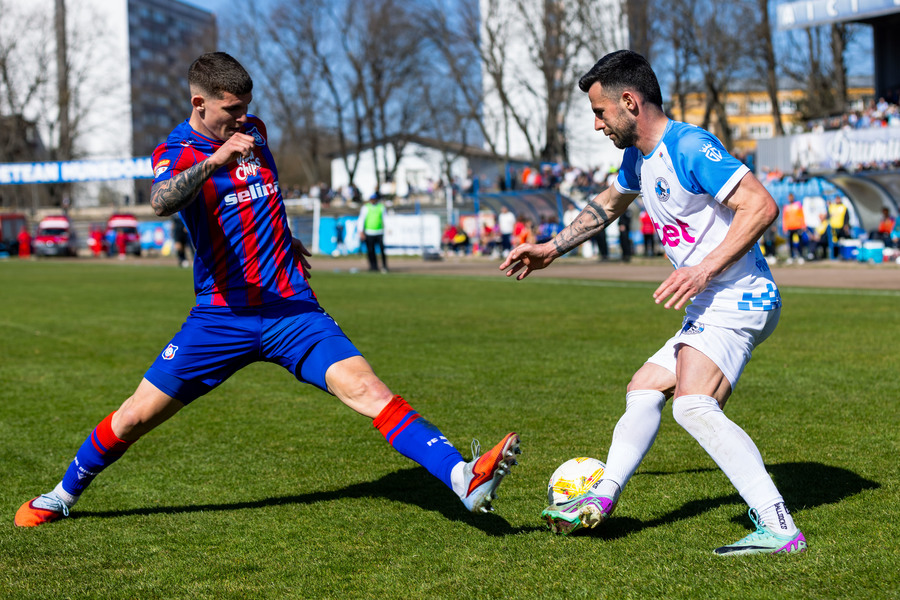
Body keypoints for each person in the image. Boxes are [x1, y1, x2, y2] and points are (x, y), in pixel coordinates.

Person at [15, 52, 520, 529]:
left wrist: (285, 239)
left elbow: (263, 194)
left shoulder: (253, 130)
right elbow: (162, 201)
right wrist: (215, 161)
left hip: (291, 310)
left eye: (245, 110)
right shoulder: (176, 151)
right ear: (200, 103)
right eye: (230, 110)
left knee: (369, 390)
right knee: (134, 417)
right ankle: (62, 495)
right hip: (220, 318)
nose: (241, 120)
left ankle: (462, 478)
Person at [500, 50, 805, 556]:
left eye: (600, 113)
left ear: (629, 101)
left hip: (736, 295)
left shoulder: (689, 145)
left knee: (692, 405)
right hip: (710, 301)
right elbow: (608, 205)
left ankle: (779, 527)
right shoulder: (638, 158)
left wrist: (704, 267)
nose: (597, 125)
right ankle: (601, 499)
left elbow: (761, 204)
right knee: (644, 388)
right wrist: (551, 248)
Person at [359, 192, 388, 272]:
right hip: (369, 232)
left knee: (382, 250)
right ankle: (373, 266)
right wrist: (361, 231)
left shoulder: (381, 207)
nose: (373, 200)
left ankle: (384, 266)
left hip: (379, 232)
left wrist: (387, 229)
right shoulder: (365, 208)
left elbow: (385, 219)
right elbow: (361, 220)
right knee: (371, 251)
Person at [781, 193, 806, 264]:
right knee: (790, 243)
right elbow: (784, 217)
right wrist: (784, 227)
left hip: (798, 226)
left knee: (800, 242)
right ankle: (791, 257)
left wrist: (803, 224)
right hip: (789, 227)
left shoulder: (798, 205)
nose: (790, 199)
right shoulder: (786, 207)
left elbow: (802, 215)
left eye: (791, 197)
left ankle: (801, 256)